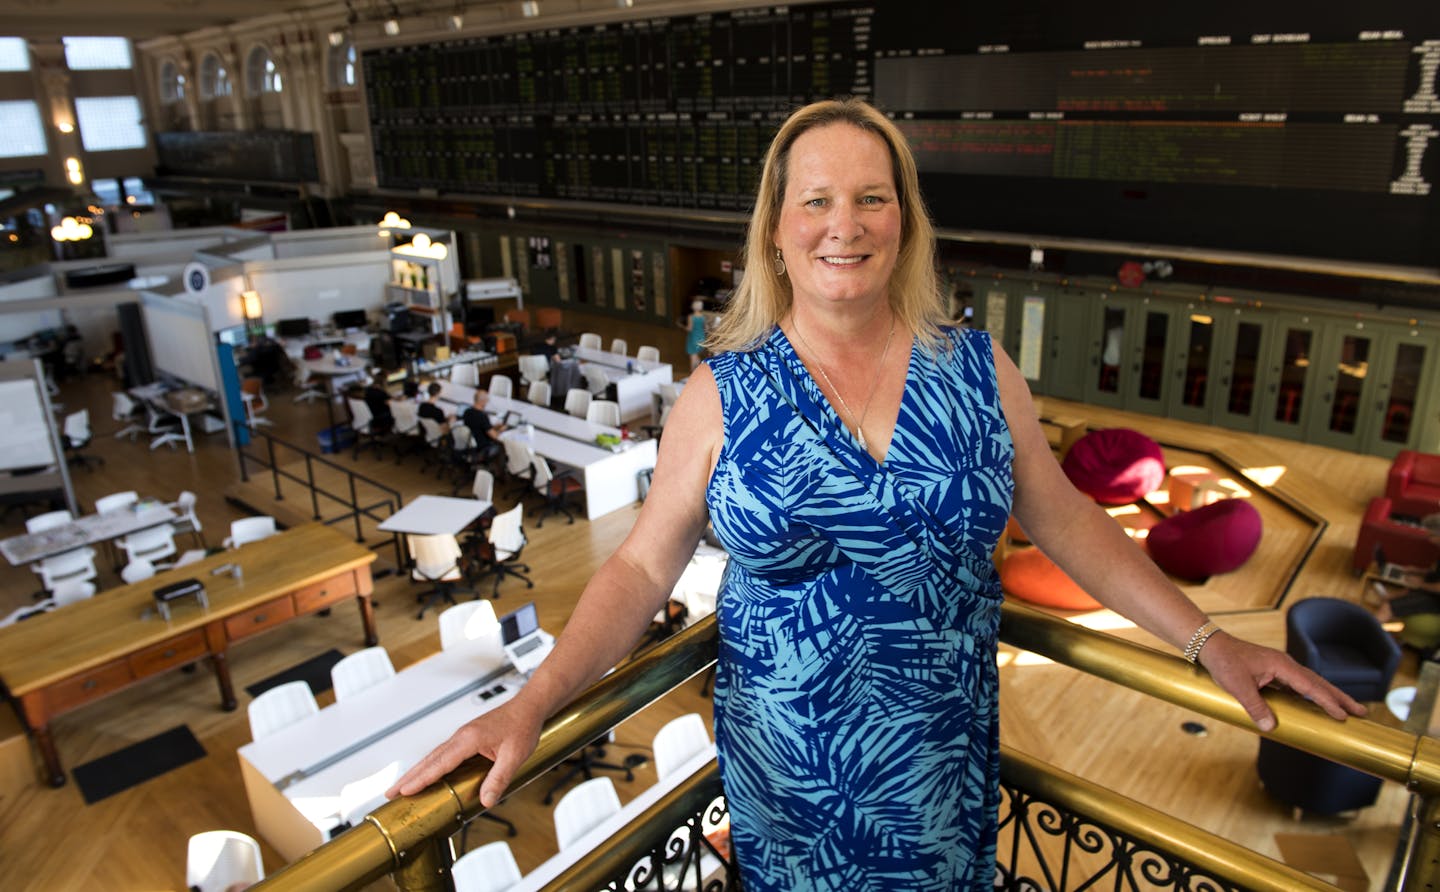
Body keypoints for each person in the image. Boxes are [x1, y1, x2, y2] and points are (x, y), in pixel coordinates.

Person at [387, 99, 1363, 889]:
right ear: (775, 229)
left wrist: (1207, 637)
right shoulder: (722, 392)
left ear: (904, 219)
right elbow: (645, 562)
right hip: (788, 786)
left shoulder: (980, 370)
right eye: (814, 200)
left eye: (870, 197)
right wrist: (536, 699)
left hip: (938, 772)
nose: (843, 225)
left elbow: (1063, 515)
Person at [460, 389, 507, 460]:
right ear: (483, 401)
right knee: (502, 446)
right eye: (487, 400)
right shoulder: (482, 416)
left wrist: (494, 427)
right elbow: (494, 436)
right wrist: (501, 430)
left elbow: (480, 426)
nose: (487, 402)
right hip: (481, 448)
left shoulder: (467, 412)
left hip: (470, 444)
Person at [682, 299, 707, 371]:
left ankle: (693, 373)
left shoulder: (691, 317)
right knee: (697, 356)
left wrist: (682, 326)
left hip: (693, 338)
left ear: (693, 307)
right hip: (701, 338)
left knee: (693, 357)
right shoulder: (703, 317)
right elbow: (706, 328)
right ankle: (698, 371)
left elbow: (689, 328)